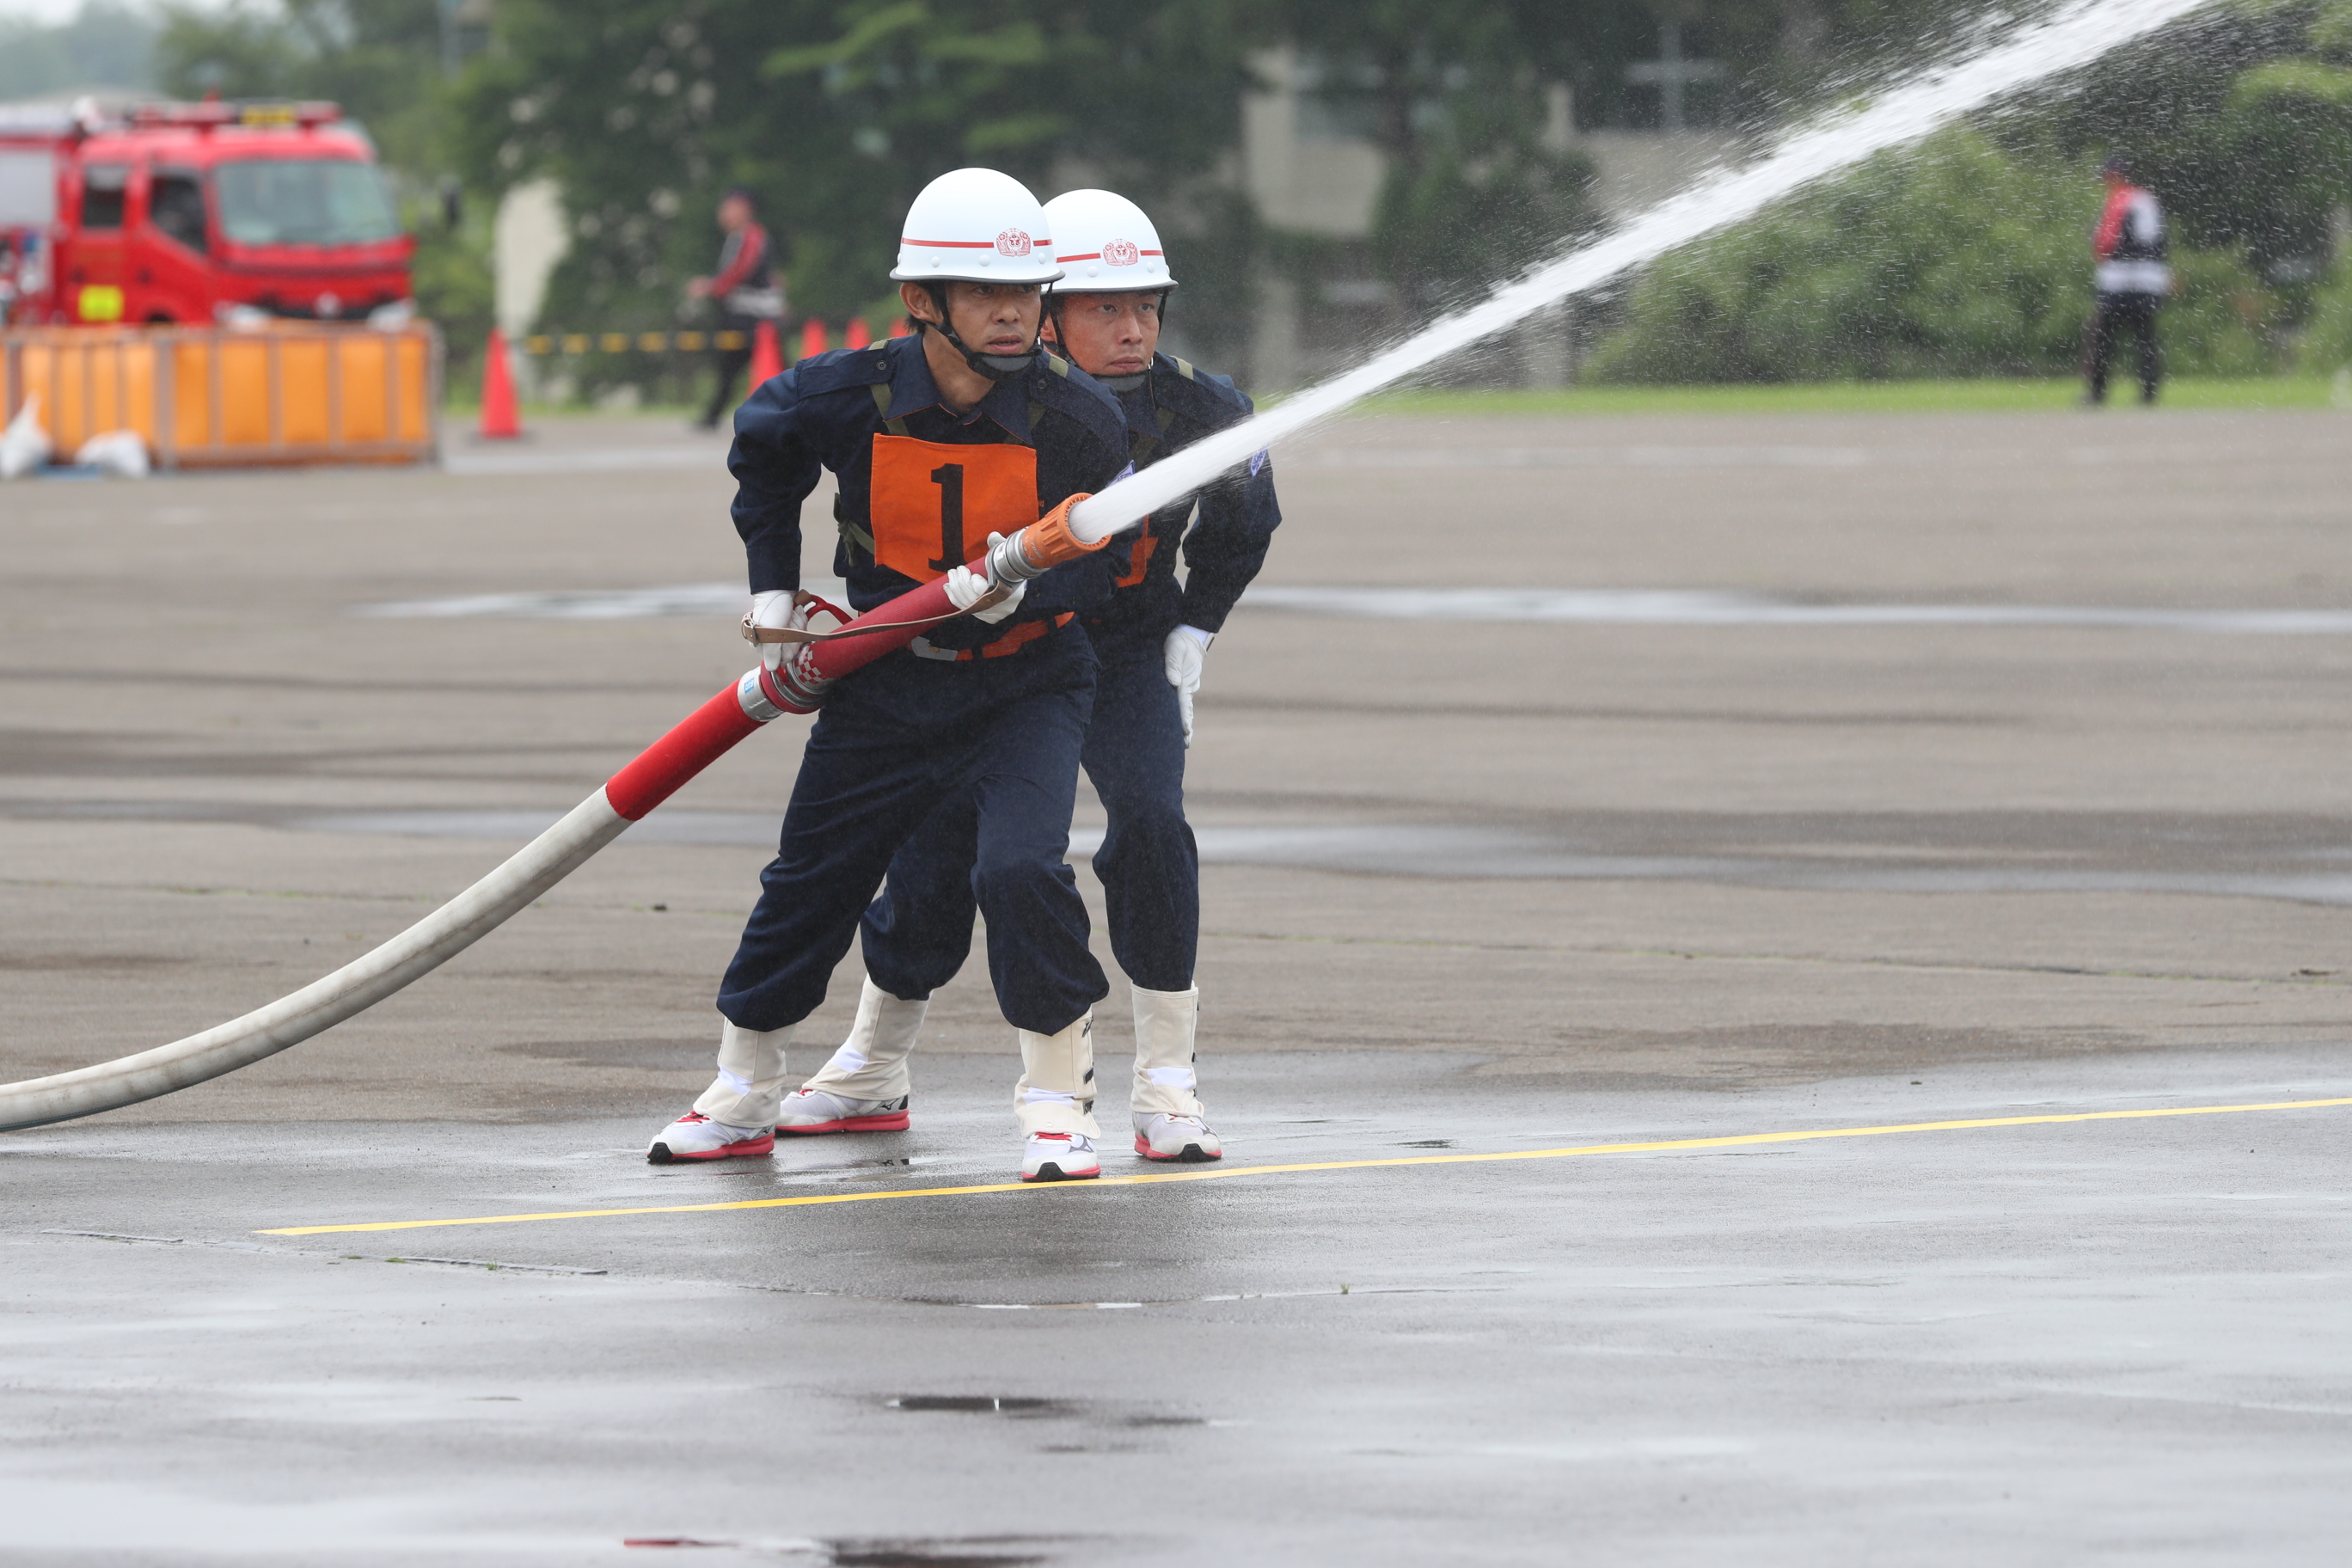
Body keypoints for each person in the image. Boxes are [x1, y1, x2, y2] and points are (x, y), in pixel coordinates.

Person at [772, 188, 1281, 1169]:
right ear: (1044, 314)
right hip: (1008, 654)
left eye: (1147, 305)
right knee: (936, 849)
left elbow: (1247, 527)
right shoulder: (988, 398)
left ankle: (1167, 1081)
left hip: (1126, 646)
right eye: (1103, 308)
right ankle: (875, 1063)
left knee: (1152, 822)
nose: (1132, 330)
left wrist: (1196, 629)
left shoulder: (1202, 407)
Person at [646, 168, 1131, 1184]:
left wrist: (1027, 598)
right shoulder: (842, 393)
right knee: (812, 875)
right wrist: (775, 592)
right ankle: (743, 1088)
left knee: (1018, 871)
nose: (1014, 312)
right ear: (923, 302)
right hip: (885, 677)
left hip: (1028, 681)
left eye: (1030, 292)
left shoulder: (1078, 417)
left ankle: (1056, 1098)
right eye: (984, 291)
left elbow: (1099, 560)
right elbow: (762, 452)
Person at [688, 188, 786, 431]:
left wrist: (712, 286)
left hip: (756, 315)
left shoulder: (750, 235)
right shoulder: (737, 237)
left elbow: (741, 269)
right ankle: (713, 415)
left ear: (744, 210)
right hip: (743, 313)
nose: (723, 214)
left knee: (774, 367)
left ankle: (802, 410)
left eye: (729, 208)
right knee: (731, 365)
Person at [2084, 153, 2170, 407]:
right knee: (2144, 337)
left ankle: (2098, 393)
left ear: (2116, 176)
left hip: (2120, 279)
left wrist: (2101, 240)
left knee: (2105, 338)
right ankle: (2148, 393)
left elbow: (2110, 243)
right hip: (2146, 278)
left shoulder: (2122, 202)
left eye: (2107, 176)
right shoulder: (2143, 200)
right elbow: (2156, 240)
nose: (2104, 181)